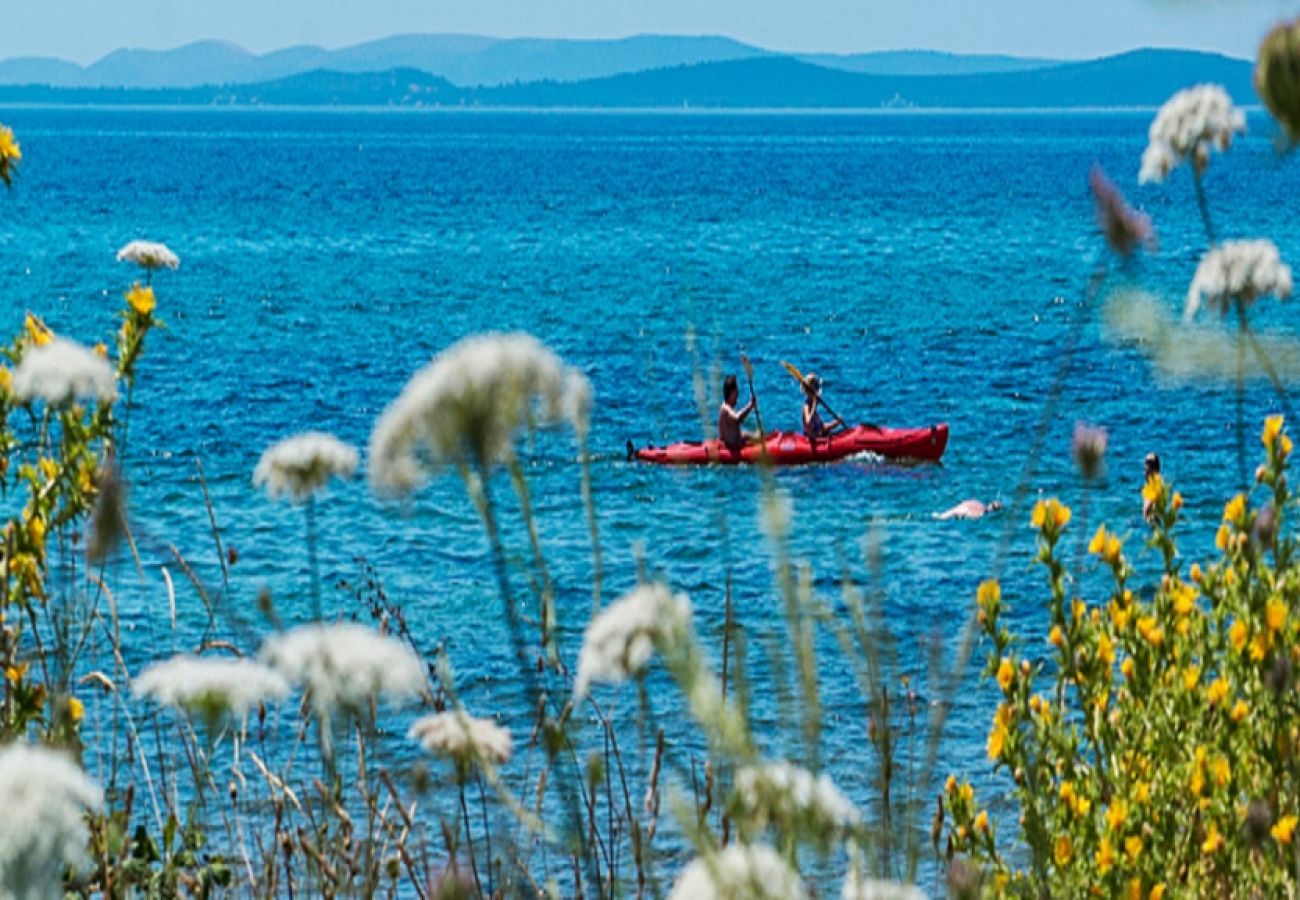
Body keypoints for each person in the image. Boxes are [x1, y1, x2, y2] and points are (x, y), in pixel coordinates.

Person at [718, 374, 756, 453]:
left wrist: (749, 436)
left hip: (736, 444)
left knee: (752, 436)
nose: (738, 394)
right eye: (736, 391)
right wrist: (750, 405)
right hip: (729, 449)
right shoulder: (726, 409)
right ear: (732, 393)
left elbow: (734, 428)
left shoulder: (729, 408)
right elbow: (737, 419)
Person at [801, 373, 844, 440]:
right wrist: (814, 405)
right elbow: (808, 422)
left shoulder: (814, 411)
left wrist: (836, 423)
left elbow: (822, 428)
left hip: (820, 437)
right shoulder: (806, 405)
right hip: (811, 441)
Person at [936, 499, 1003, 521]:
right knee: (942, 517)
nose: (991, 507)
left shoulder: (980, 505)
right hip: (963, 510)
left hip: (961, 509)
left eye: (993, 507)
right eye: (992, 506)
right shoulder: (982, 512)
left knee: (943, 516)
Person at [1142, 452, 1161, 522]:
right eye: (1146, 463)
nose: (1146, 466)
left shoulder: (1156, 485)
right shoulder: (1148, 486)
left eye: (1149, 464)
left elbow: (1149, 509)